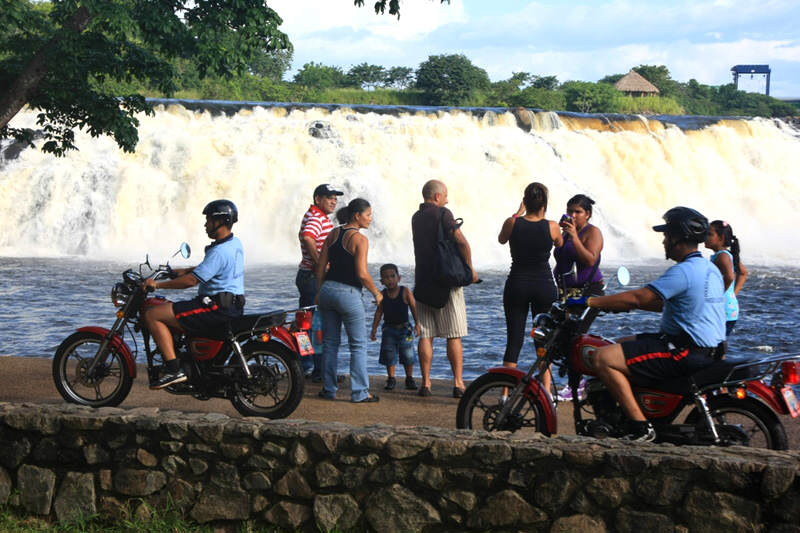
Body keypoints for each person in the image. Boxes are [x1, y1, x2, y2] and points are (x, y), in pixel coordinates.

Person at [579, 206, 725, 442]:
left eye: (667, 236)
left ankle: (640, 427)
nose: (665, 241)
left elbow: (640, 297)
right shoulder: (709, 268)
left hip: (684, 351)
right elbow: (658, 303)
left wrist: (591, 301)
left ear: (679, 237)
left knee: (602, 358)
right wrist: (616, 304)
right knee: (619, 344)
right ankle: (626, 411)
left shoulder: (684, 271)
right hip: (705, 348)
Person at [143, 200, 245, 389]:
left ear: (221, 222)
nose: (205, 225)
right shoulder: (233, 244)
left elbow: (191, 281)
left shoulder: (219, 252)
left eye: (209, 220)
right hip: (232, 305)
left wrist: (157, 285)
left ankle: (174, 370)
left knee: (153, 315)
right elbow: (207, 269)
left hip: (214, 308)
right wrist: (179, 271)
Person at [411, 179, 478, 398]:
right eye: (446, 195)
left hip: (423, 282)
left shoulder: (416, 217)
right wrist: (470, 269)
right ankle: (458, 384)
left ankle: (426, 383)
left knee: (426, 335)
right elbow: (461, 242)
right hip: (446, 281)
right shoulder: (443, 213)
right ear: (437, 197)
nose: (447, 199)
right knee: (454, 335)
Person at [315, 198, 383, 403]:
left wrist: (318, 291)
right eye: (368, 215)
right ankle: (360, 393)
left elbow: (320, 266)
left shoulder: (333, 233)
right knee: (358, 345)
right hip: (348, 294)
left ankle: (328, 389)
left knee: (329, 343)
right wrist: (377, 293)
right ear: (357, 215)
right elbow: (362, 274)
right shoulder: (360, 240)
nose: (370, 219)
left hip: (327, 290)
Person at [498, 182, 563, 392]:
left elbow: (501, 239)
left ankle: (505, 392)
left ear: (525, 201)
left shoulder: (512, 222)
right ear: (544, 203)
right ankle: (546, 393)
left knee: (514, 340)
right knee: (543, 341)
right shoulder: (552, 226)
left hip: (517, 283)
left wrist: (517, 213)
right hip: (544, 286)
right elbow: (560, 244)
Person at [297, 184, 343, 378]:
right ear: (318, 199)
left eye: (335, 198)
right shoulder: (316, 217)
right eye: (329, 197)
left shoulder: (317, 216)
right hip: (312, 278)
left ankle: (308, 365)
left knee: (306, 324)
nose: (334, 201)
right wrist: (319, 265)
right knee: (315, 325)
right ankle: (317, 369)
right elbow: (308, 237)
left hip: (308, 276)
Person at [370, 264, 421, 391]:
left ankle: (409, 378)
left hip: (405, 329)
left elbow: (414, 307)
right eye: (386, 277)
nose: (390, 280)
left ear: (399, 278)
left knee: (408, 354)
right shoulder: (382, 295)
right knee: (389, 354)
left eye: (393, 276)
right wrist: (374, 329)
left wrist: (417, 324)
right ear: (382, 281)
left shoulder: (405, 291)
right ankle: (391, 378)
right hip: (388, 329)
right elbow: (379, 312)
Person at [553, 194, 605, 297]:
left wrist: (574, 237)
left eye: (578, 212)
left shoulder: (593, 232)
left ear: (587, 214)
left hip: (588, 291)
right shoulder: (566, 233)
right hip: (564, 290)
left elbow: (590, 261)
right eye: (570, 211)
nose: (573, 215)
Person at [705, 220, 748, 336]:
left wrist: (716, 296)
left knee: (713, 345)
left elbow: (729, 277)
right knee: (718, 345)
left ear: (721, 237)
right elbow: (743, 273)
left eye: (709, 234)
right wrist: (733, 294)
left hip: (722, 310)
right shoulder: (727, 255)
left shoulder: (722, 256)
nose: (705, 237)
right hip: (729, 309)